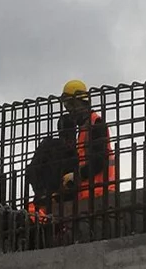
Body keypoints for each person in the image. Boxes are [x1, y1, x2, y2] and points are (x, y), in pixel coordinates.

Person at [25, 79, 116, 220]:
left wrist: (77, 174)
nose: (70, 112)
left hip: (100, 193)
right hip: (86, 194)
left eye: (71, 106)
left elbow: (100, 160)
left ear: (79, 103)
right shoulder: (83, 130)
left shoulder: (96, 124)